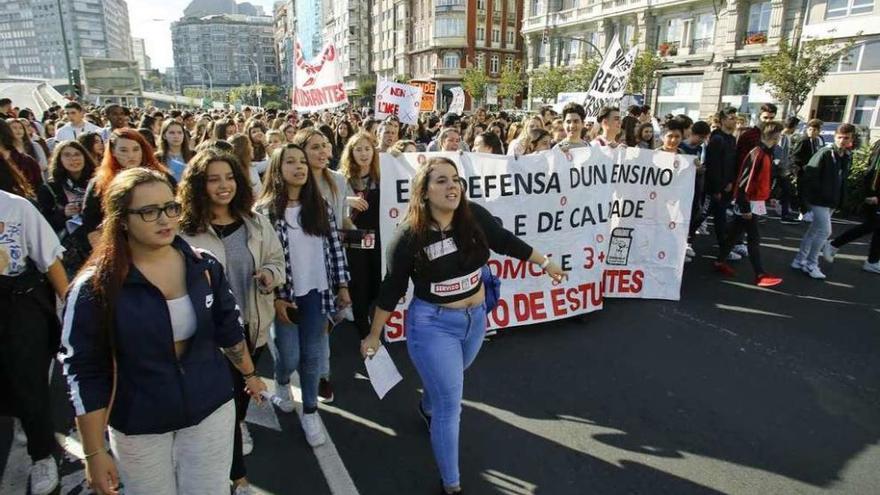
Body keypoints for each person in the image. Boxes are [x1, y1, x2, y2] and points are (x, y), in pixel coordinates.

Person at [360, 157, 565, 494]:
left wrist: (545, 262)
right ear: (424, 192)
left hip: (475, 320)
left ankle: (427, 404)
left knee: (447, 385)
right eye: (441, 181)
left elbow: (504, 240)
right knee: (450, 405)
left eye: (455, 179)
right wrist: (373, 334)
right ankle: (452, 484)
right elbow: (391, 288)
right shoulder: (409, 236)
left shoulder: (474, 217)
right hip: (433, 326)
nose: (452, 186)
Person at [60, 168, 267, 495]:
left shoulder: (205, 266)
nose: (164, 219)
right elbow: (84, 370)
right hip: (139, 424)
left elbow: (228, 329)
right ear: (121, 219)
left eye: (171, 207)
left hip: (210, 408)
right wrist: (93, 451)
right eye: (149, 211)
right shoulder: (95, 287)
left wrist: (250, 375)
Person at [178, 149, 285, 494]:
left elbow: (277, 260)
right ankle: (238, 479)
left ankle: (236, 431)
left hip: (253, 332)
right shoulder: (184, 232)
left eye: (229, 178)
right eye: (213, 179)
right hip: (208, 342)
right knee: (220, 413)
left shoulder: (255, 222)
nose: (223, 186)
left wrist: (270, 274)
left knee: (236, 407)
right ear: (198, 186)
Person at [256, 144, 351, 446]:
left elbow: (334, 246)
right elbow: (263, 260)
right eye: (290, 162)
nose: (299, 167)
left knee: (312, 357)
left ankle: (310, 411)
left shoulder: (319, 204)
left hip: (318, 293)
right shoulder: (265, 211)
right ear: (276, 168)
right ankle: (282, 382)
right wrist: (275, 297)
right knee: (289, 356)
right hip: (285, 298)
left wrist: (343, 285)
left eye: (302, 162)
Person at [1, 156, 68, 495]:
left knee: (29, 384)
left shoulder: (16, 208)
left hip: (18, 307)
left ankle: (42, 455)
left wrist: (71, 313)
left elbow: (49, 261)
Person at [291, 128, 353, 402]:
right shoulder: (293, 183)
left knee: (323, 323)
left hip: (330, 261)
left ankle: (322, 375)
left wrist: (357, 235)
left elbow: (343, 219)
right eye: (315, 147)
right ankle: (290, 373)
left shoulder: (338, 180)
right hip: (299, 265)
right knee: (296, 330)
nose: (323, 152)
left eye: (325, 146)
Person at [713, 121, 785, 287]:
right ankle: (760, 274)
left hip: (754, 200)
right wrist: (744, 206)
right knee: (753, 238)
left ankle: (719, 261)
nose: (780, 137)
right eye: (779, 134)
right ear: (774, 136)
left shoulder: (765, 152)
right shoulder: (758, 154)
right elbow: (745, 181)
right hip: (749, 201)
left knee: (734, 234)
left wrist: (770, 196)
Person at [82, 129, 173, 247]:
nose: (131, 155)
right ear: (113, 151)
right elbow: (91, 224)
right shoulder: (99, 183)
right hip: (118, 246)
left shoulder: (162, 177)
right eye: (123, 150)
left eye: (136, 149)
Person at [792, 124, 855, 279]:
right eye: (839, 137)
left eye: (846, 138)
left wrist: (839, 199)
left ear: (851, 139)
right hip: (819, 199)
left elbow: (842, 179)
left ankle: (799, 259)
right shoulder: (826, 153)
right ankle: (811, 263)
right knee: (825, 231)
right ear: (835, 137)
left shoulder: (846, 155)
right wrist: (808, 199)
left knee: (814, 230)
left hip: (831, 200)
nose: (842, 140)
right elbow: (809, 174)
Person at [339, 132, 382, 339]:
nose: (364, 154)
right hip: (355, 237)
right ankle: (363, 329)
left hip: (380, 236)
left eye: (367, 148)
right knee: (360, 283)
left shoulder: (383, 174)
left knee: (376, 281)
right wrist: (347, 200)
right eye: (358, 149)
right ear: (351, 153)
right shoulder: (342, 178)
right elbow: (328, 201)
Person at [37, 140, 97, 275]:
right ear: (59, 159)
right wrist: (63, 213)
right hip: (71, 250)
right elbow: (44, 222)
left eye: (77, 154)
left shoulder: (98, 182)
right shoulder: (49, 188)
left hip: (97, 242)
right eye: (67, 155)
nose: (73, 159)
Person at [823, 138, 880, 274]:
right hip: (875, 196)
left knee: (877, 228)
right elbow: (873, 173)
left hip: (875, 195)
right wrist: (873, 195)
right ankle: (834, 244)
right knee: (872, 225)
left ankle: (872, 261)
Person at [704, 107, 741, 262]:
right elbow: (713, 166)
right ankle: (724, 250)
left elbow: (731, 164)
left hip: (726, 186)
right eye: (731, 117)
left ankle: (724, 250)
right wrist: (718, 188)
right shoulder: (717, 138)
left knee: (709, 217)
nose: (734, 120)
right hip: (717, 188)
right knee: (718, 219)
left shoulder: (731, 139)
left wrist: (731, 182)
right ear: (723, 120)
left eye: (735, 117)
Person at [679, 121, 710, 259]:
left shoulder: (700, 148)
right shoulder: (681, 146)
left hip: (694, 186)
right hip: (680, 187)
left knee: (694, 213)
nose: (702, 141)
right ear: (693, 134)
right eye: (701, 137)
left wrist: (700, 169)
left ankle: (687, 242)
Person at [791, 118, 825, 222]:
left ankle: (805, 211)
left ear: (819, 131)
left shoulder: (817, 140)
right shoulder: (803, 140)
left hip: (812, 171)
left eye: (815, 130)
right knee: (802, 192)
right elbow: (794, 155)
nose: (812, 132)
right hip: (803, 171)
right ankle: (804, 212)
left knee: (808, 192)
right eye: (810, 129)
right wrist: (801, 165)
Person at [0, 118, 43, 190]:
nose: (18, 130)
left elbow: (40, 188)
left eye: (20, 128)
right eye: (14, 128)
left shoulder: (27, 161)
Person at [776, 117, 800, 224]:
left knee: (785, 191)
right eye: (796, 126)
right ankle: (784, 215)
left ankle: (783, 212)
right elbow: (779, 154)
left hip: (782, 168)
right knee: (786, 190)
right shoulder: (782, 137)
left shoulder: (786, 136)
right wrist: (783, 168)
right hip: (780, 169)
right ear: (793, 126)